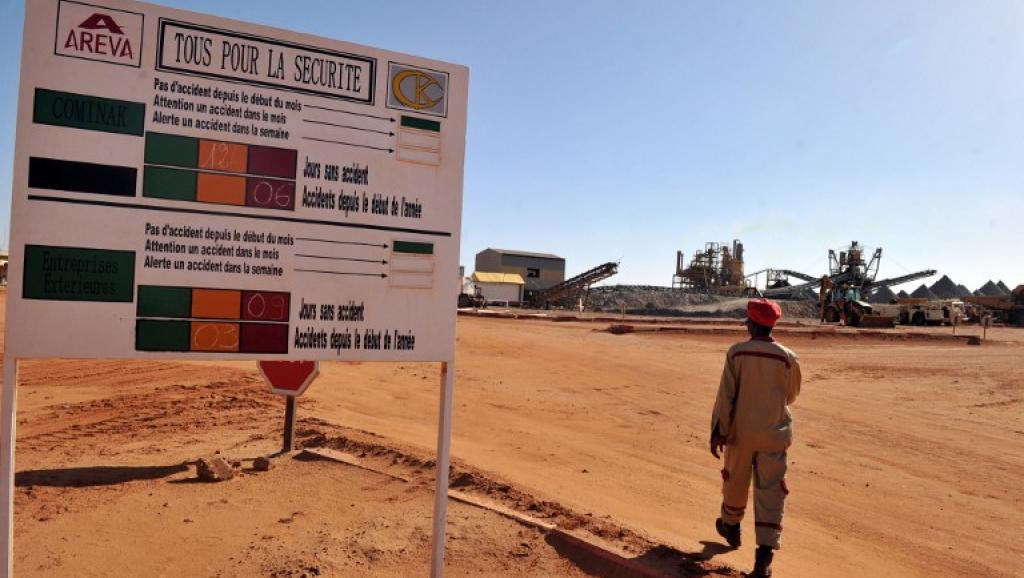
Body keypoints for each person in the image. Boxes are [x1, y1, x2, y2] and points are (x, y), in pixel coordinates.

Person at [710, 299, 802, 577]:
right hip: (774, 434)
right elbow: (792, 395)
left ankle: (731, 526)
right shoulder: (787, 357)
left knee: (735, 481)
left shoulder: (737, 353)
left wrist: (718, 430)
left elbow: (727, 394)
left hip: (741, 433)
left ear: (750, 324)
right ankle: (763, 558)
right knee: (771, 492)